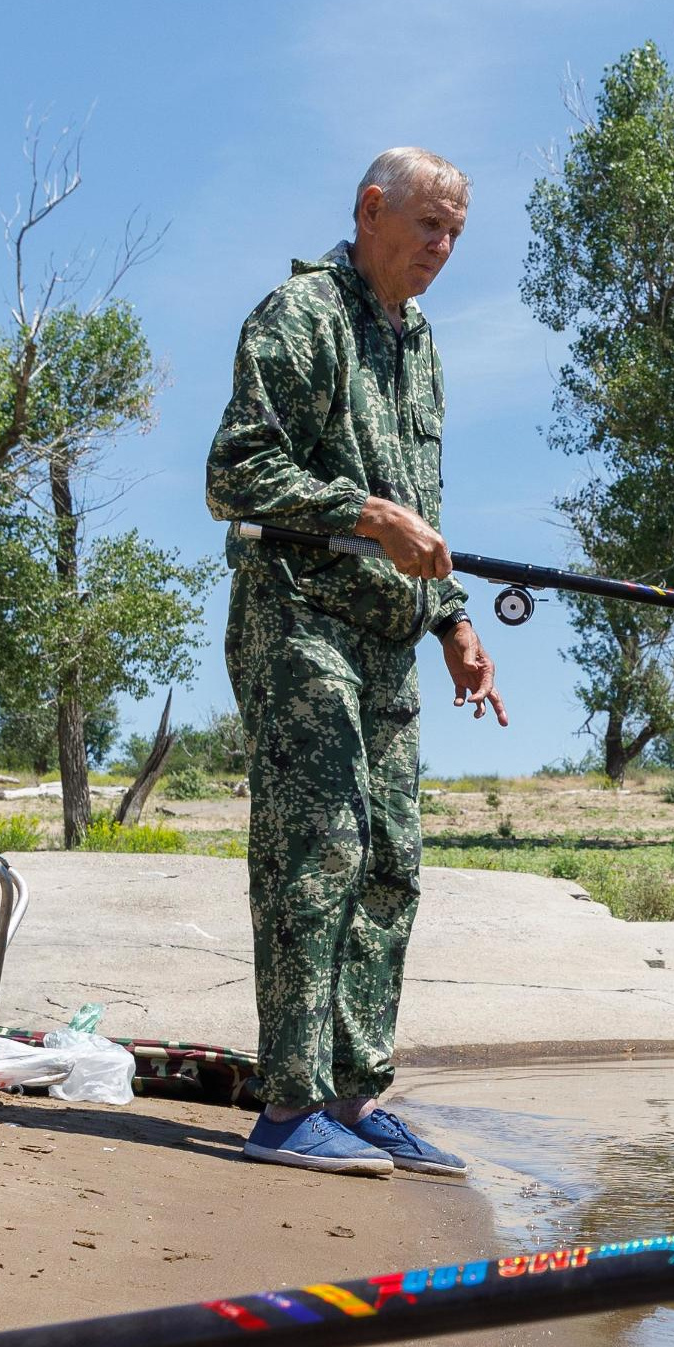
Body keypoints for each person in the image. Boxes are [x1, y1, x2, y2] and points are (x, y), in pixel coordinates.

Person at [205, 147, 508, 1177]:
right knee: (320, 847)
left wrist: (454, 621)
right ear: (371, 209)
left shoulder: (419, 343)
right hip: (298, 620)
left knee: (390, 866)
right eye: (429, 225)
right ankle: (288, 1108)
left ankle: (353, 1093)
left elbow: (420, 494)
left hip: (389, 641)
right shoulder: (299, 313)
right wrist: (364, 515)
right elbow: (235, 470)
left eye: (456, 233)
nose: (443, 248)